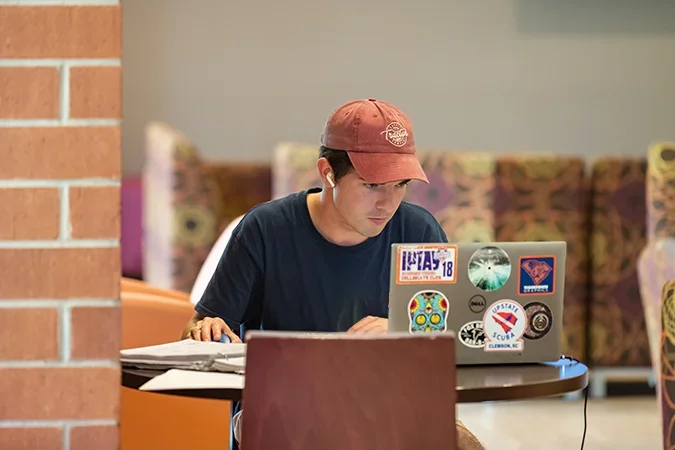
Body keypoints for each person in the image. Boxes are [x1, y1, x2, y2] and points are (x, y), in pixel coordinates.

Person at [183, 98, 485, 450]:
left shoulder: (419, 230)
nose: (387, 204)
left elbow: (453, 335)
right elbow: (198, 328)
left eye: (399, 184)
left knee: (458, 441)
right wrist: (205, 330)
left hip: (388, 404)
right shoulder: (264, 229)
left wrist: (403, 328)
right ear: (327, 172)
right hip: (284, 410)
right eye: (371, 185)